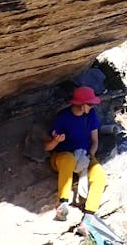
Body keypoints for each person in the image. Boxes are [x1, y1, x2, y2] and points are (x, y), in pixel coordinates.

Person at [44, 85, 107, 221]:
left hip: (84, 155)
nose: (92, 107)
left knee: (99, 175)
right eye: (90, 104)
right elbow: (47, 147)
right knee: (69, 159)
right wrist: (56, 141)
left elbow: (95, 141)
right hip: (62, 157)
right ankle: (63, 204)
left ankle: (89, 216)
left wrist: (90, 155)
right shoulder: (63, 118)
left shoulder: (91, 115)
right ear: (82, 105)